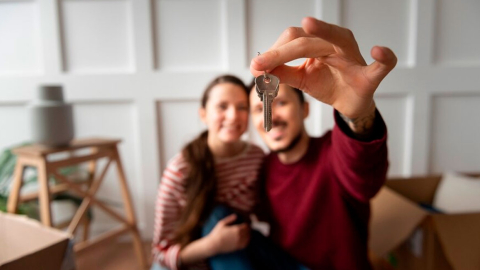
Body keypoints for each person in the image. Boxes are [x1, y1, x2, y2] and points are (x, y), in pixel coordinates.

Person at [248, 17, 397, 269]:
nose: (270, 115)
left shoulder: (333, 151)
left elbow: (364, 178)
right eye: (258, 108)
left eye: (281, 102)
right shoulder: (260, 168)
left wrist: (357, 114)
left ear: (304, 110)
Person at [151, 75, 265, 270]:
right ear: (203, 114)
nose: (233, 116)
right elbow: (160, 253)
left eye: (241, 107)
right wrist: (213, 245)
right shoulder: (180, 170)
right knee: (217, 214)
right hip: (189, 261)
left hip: (235, 253)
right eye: (222, 107)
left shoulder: (256, 157)